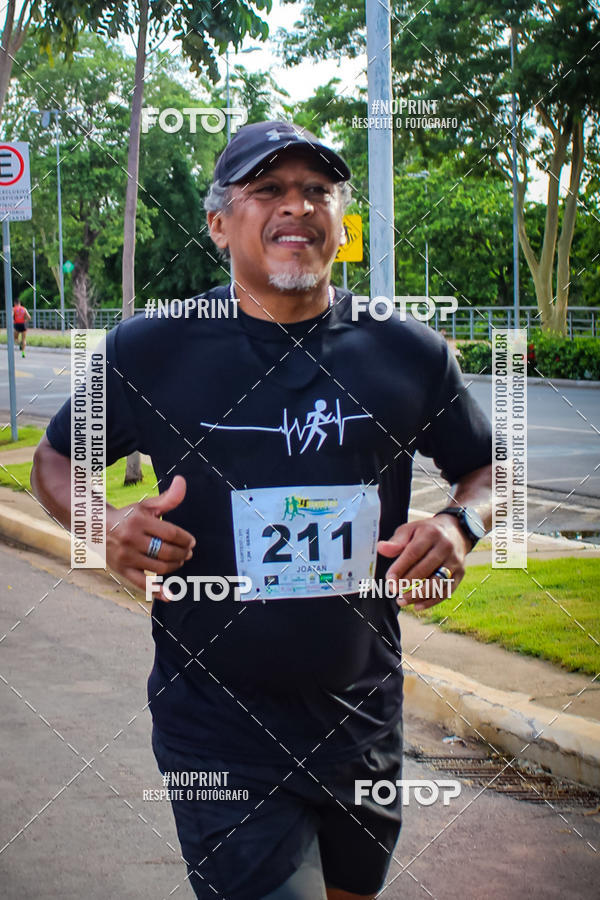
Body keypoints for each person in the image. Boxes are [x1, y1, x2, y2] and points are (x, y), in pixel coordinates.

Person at [31, 120, 493, 900]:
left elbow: (488, 470)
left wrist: (459, 523)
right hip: (218, 722)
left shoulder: (406, 350)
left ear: (340, 222)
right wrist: (99, 523)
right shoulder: (155, 348)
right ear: (218, 223)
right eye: (269, 190)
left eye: (318, 191)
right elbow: (55, 460)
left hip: (362, 716)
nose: (298, 207)